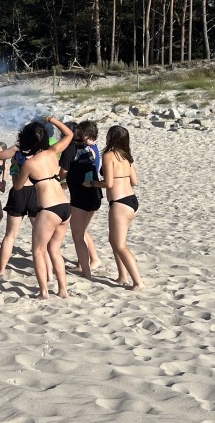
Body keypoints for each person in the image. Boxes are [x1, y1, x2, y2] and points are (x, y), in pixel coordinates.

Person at [13, 116, 74, 299]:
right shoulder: (53, 152)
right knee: (55, 250)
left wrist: (15, 168)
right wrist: (53, 120)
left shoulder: (29, 164)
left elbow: (18, 186)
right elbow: (69, 134)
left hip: (49, 209)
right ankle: (63, 289)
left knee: (38, 251)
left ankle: (44, 292)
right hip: (65, 206)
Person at [88, 125, 145, 290]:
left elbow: (108, 183)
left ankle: (138, 282)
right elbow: (134, 181)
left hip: (119, 203)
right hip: (131, 200)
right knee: (114, 241)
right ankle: (122, 276)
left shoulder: (109, 155)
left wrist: (92, 183)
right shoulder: (127, 156)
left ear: (111, 138)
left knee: (120, 245)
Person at [60, 121, 103, 278]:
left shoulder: (69, 150)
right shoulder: (88, 148)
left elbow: (63, 173)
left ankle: (86, 271)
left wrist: (57, 180)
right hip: (95, 193)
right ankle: (88, 261)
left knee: (77, 235)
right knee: (82, 230)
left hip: (81, 196)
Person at [0, 137, 40, 278]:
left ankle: (1, 269)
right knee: (39, 234)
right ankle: (45, 270)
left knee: (10, 235)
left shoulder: (16, 150)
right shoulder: (37, 150)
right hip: (33, 191)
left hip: (17, 191)